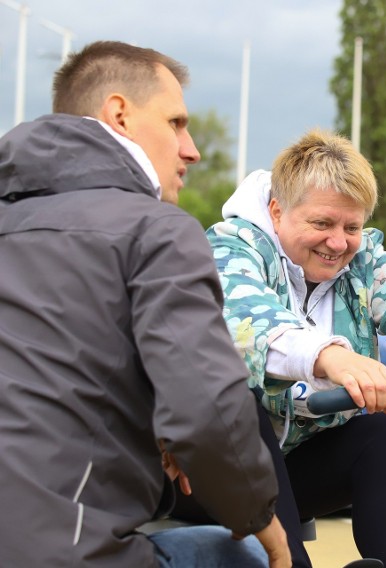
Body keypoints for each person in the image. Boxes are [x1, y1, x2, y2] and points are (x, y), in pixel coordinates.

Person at [0, 41, 290, 567]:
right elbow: (207, 409)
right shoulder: (155, 229)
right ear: (120, 115)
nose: (192, 149)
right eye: (177, 122)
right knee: (238, 556)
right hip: (59, 552)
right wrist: (257, 515)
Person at [193, 128, 386, 568]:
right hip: (204, 477)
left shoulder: (363, 262)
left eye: (352, 226)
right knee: (242, 411)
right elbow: (248, 324)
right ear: (277, 210)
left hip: (292, 471)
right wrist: (333, 359)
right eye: (321, 223)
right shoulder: (229, 251)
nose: (338, 242)